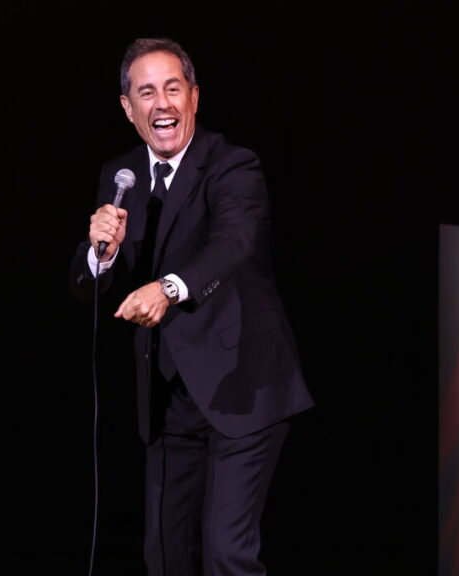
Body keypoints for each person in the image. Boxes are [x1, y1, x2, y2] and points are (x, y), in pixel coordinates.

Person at [68, 37, 315, 576]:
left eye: (174, 89)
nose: (163, 104)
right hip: (166, 397)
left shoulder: (232, 165)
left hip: (242, 386)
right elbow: (86, 284)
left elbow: (232, 243)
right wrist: (98, 252)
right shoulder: (121, 175)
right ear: (128, 108)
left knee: (227, 552)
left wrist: (168, 288)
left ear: (195, 98)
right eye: (147, 92)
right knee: (164, 554)